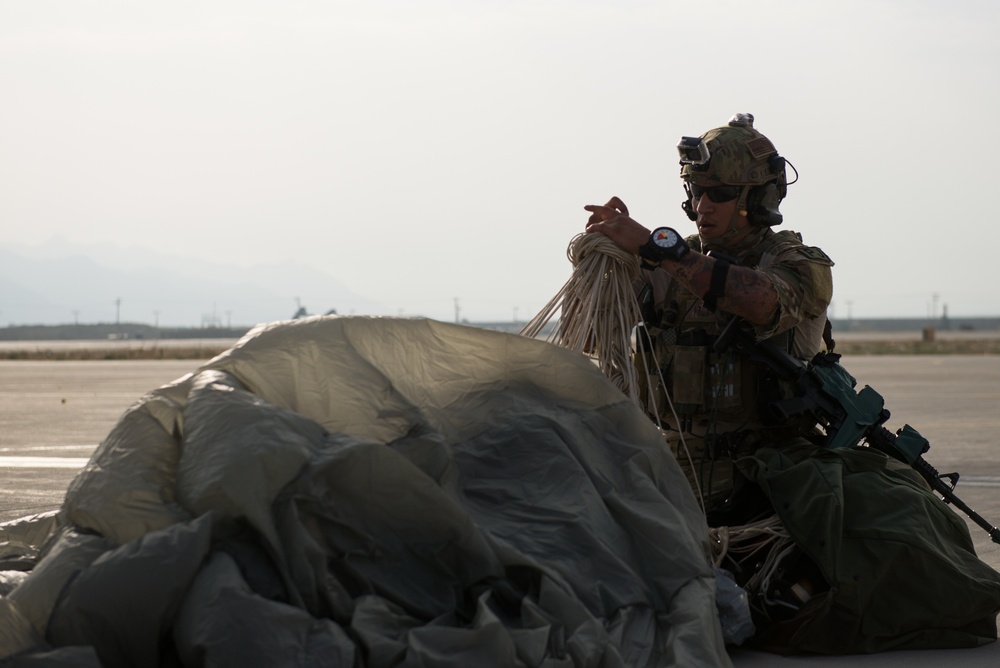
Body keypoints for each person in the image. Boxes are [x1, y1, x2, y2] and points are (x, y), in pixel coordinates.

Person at [584, 113, 834, 513]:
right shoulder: (667, 265)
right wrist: (602, 261)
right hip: (669, 473)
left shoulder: (799, 264)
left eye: (719, 194)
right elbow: (591, 338)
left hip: (767, 480)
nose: (702, 206)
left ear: (758, 197)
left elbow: (762, 301)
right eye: (696, 191)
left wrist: (660, 251)